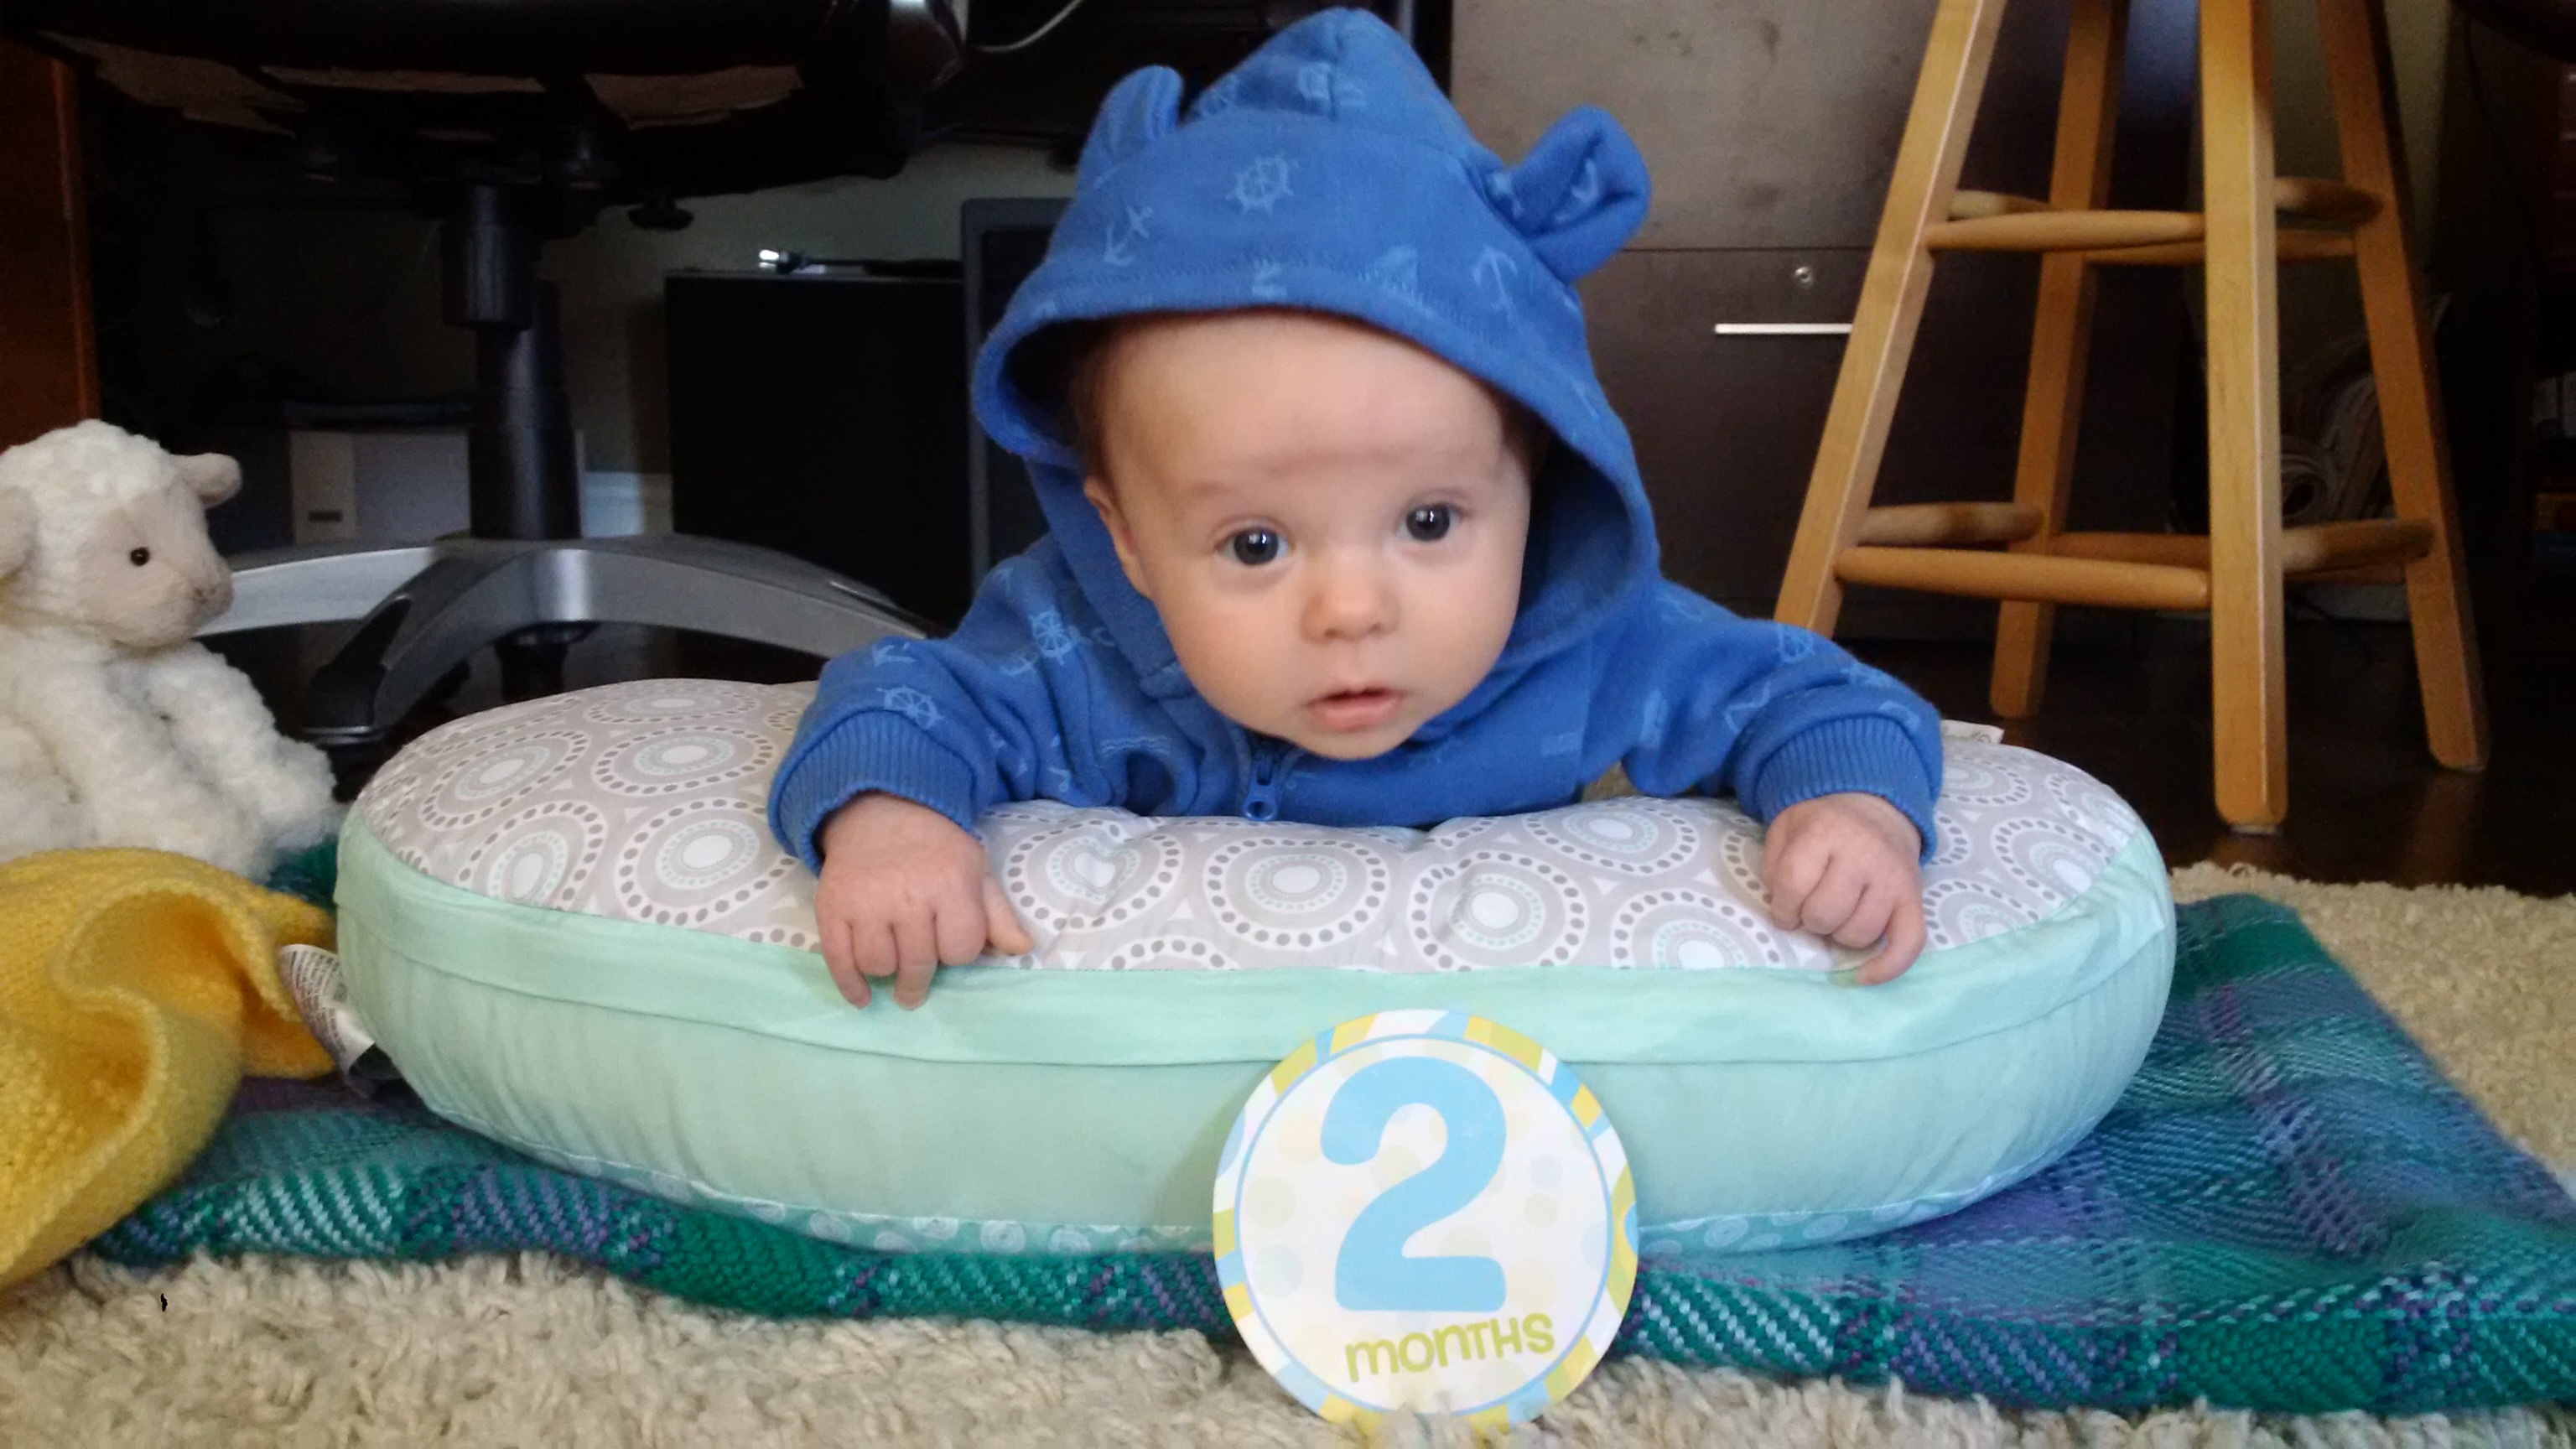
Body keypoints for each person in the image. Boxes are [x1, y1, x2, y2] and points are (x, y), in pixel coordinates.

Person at [767, 8, 1945, 1010]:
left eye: (1429, 523)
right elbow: (905, 694)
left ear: (1532, 485)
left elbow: (1815, 694)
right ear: (1125, 537)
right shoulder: (1075, 649)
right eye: (1256, 544)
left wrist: (1852, 810)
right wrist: (894, 822)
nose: (1351, 610)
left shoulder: (1589, 648)